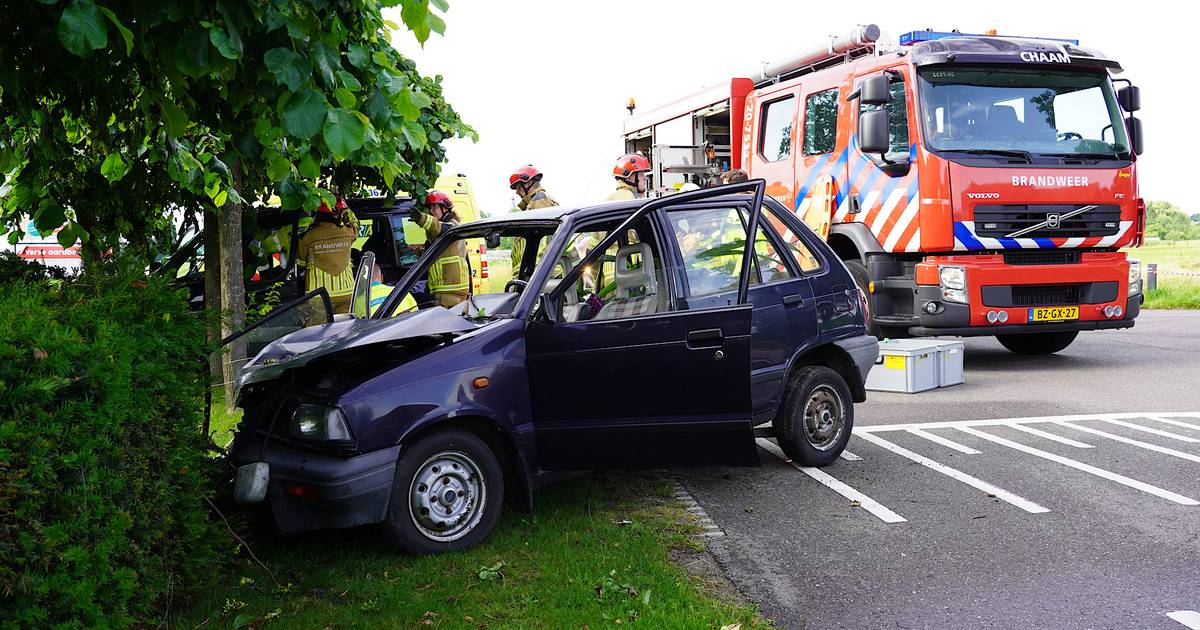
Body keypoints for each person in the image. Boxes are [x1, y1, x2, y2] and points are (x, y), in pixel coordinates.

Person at [296, 196, 358, 314]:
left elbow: (301, 264)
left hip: (318, 297)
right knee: (344, 325)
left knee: (319, 326)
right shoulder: (347, 233)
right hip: (346, 293)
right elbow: (355, 224)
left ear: (318, 215)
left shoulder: (307, 237)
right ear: (337, 215)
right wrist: (345, 209)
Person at [411, 190, 469, 309]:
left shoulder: (452, 226)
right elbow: (439, 254)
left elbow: (438, 227)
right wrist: (420, 251)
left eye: (434, 207)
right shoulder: (439, 232)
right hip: (443, 288)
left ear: (445, 208)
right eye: (429, 208)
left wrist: (422, 218)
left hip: (452, 289)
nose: (431, 210)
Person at [508, 165, 559, 275]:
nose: (517, 192)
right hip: (533, 273)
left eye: (518, 187)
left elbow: (543, 240)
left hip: (540, 274)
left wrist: (535, 272)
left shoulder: (539, 200)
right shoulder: (533, 204)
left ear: (529, 183)